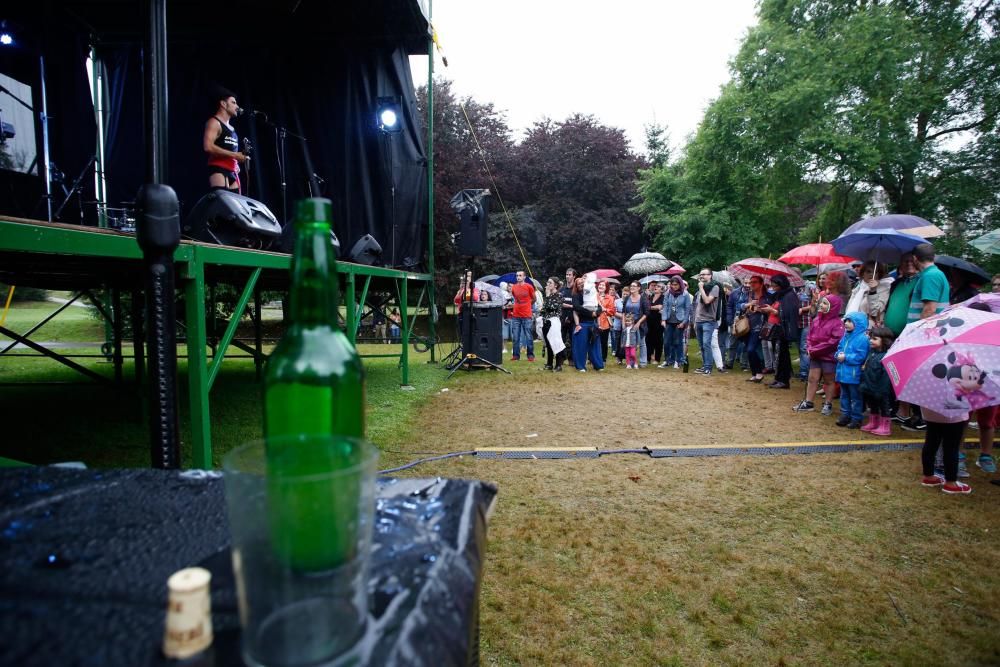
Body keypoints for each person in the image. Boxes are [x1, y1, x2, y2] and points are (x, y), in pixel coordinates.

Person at [793, 295, 844, 415]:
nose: (821, 305)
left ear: (833, 307)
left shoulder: (837, 323)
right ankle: (808, 402)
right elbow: (810, 336)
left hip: (828, 356)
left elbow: (833, 342)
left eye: (825, 303)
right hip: (815, 355)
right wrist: (810, 348)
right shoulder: (816, 320)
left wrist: (814, 349)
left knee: (829, 381)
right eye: (821, 303)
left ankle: (828, 404)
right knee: (812, 378)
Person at [756, 274, 800, 389]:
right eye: (772, 285)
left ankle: (784, 380)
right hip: (776, 329)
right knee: (778, 356)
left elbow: (789, 314)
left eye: (775, 286)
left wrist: (773, 311)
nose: (773, 288)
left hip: (783, 330)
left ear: (781, 284)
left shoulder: (790, 296)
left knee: (782, 356)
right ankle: (778, 378)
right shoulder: (780, 295)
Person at [203, 88, 248, 192]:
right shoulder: (214, 122)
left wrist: (236, 161)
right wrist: (235, 155)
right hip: (219, 170)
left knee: (235, 207)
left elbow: (230, 151)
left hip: (233, 172)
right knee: (222, 205)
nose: (237, 107)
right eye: (233, 103)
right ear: (223, 104)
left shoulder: (233, 129)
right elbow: (208, 146)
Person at [920, 406, 972, 494]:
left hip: (931, 411)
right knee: (952, 447)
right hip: (955, 412)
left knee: (930, 443)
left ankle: (928, 476)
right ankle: (951, 482)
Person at [834, 311, 870, 428]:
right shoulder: (845, 336)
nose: (846, 323)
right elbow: (839, 348)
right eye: (846, 321)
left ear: (858, 323)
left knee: (856, 398)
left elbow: (861, 357)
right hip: (843, 373)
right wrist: (838, 355)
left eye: (850, 321)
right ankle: (845, 415)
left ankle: (856, 418)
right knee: (844, 395)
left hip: (854, 374)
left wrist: (846, 357)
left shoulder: (863, 339)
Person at [859, 326, 896, 436]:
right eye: (870, 338)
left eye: (875, 339)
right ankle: (873, 422)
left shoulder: (886, 356)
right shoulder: (872, 353)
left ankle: (885, 426)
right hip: (870, 386)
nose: (871, 340)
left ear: (884, 341)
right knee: (873, 405)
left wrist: (882, 390)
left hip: (880, 389)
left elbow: (886, 376)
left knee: (884, 407)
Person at [571, 276, 605, 372]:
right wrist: (591, 313)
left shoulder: (591, 294)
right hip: (582, 323)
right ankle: (580, 366)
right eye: (579, 283)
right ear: (576, 286)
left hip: (592, 323)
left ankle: (598, 365)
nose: (581, 284)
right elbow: (577, 308)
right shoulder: (576, 295)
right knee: (581, 346)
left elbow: (599, 307)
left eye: (582, 282)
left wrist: (597, 312)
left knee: (595, 345)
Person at [845, 260, 893, 326]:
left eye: (875, 272)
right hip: (852, 326)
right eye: (868, 271)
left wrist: (873, 291)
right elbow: (849, 308)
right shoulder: (859, 288)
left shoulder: (884, 288)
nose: (871, 274)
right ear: (863, 273)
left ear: (879, 274)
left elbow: (875, 312)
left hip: (868, 329)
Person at [693, 269, 720, 375]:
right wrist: (695, 320)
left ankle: (708, 368)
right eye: (701, 274)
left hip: (709, 321)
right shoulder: (701, 289)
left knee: (706, 344)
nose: (702, 276)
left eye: (704, 274)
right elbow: (697, 306)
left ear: (710, 276)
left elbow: (707, 301)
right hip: (699, 320)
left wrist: (701, 288)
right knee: (701, 345)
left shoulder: (715, 287)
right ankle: (704, 366)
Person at [660, 276, 691, 369]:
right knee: (666, 342)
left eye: (676, 285)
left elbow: (688, 309)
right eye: (672, 285)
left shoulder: (685, 294)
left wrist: (684, 322)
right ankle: (668, 360)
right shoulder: (668, 293)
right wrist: (663, 319)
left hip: (679, 320)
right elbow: (665, 306)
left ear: (680, 284)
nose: (674, 287)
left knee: (677, 342)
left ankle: (678, 360)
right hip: (669, 320)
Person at [742, 276, 767, 382]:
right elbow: (739, 305)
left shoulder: (766, 296)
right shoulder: (749, 295)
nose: (752, 284)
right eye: (751, 282)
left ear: (761, 283)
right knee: (749, 350)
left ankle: (759, 372)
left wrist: (760, 310)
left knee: (751, 349)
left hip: (760, 326)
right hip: (748, 325)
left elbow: (772, 309)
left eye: (754, 282)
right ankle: (755, 373)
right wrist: (748, 306)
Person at [620, 281, 650, 367]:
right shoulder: (627, 298)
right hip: (628, 324)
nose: (632, 287)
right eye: (631, 286)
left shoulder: (643, 298)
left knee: (642, 343)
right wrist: (623, 322)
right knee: (628, 343)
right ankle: (631, 362)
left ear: (638, 288)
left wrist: (639, 323)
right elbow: (623, 312)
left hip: (639, 323)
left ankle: (643, 362)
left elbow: (646, 313)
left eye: (634, 286)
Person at [509, 270, 536, 361]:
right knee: (515, 337)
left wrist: (527, 305)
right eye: (517, 275)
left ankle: (530, 355)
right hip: (516, 315)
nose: (518, 277)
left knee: (529, 336)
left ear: (524, 277)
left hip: (527, 315)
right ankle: (516, 356)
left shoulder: (529, 287)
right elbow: (515, 298)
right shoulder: (514, 287)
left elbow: (534, 299)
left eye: (520, 275)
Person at [540, 277, 566, 372]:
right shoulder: (548, 295)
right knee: (548, 343)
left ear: (555, 285)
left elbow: (553, 307)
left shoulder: (559, 295)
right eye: (547, 282)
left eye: (550, 282)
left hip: (554, 321)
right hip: (546, 321)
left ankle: (558, 365)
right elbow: (543, 310)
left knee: (556, 342)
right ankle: (549, 364)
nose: (548, 284)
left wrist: (547, 297)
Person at [596, 281, 616, 362]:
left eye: (603, 285)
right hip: (594, 321)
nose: (601, 286)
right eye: (600, 285)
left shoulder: (610, 298)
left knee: (603, 342)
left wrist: (605, 309)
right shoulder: (594, 296)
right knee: (593, 341)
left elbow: (612, 311)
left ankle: (603, 359)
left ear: (606, 287)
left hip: (604, 323)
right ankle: (592, 358)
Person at [646, 282, 665, 365]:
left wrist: (650, 307)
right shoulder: (650, 297)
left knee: (658, 340)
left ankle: (657, 358)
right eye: (655, 286)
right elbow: (645, 306)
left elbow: (659, 307)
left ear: (662, 289)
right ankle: (648, 357)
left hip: (658, 321)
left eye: (658, 286)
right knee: (648, 339)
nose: (656, 287)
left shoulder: (663, 297)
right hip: (649, 320)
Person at [609, 284, 624, 365]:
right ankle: (614, 350)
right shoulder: (609, 297)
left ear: (616, 291)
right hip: (613, 319)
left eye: (613, 289)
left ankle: (615, 350)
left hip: (618, 320)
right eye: (610, 289)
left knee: (616, 336)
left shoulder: (617, 298)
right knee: (615, 336)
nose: (611, 290)